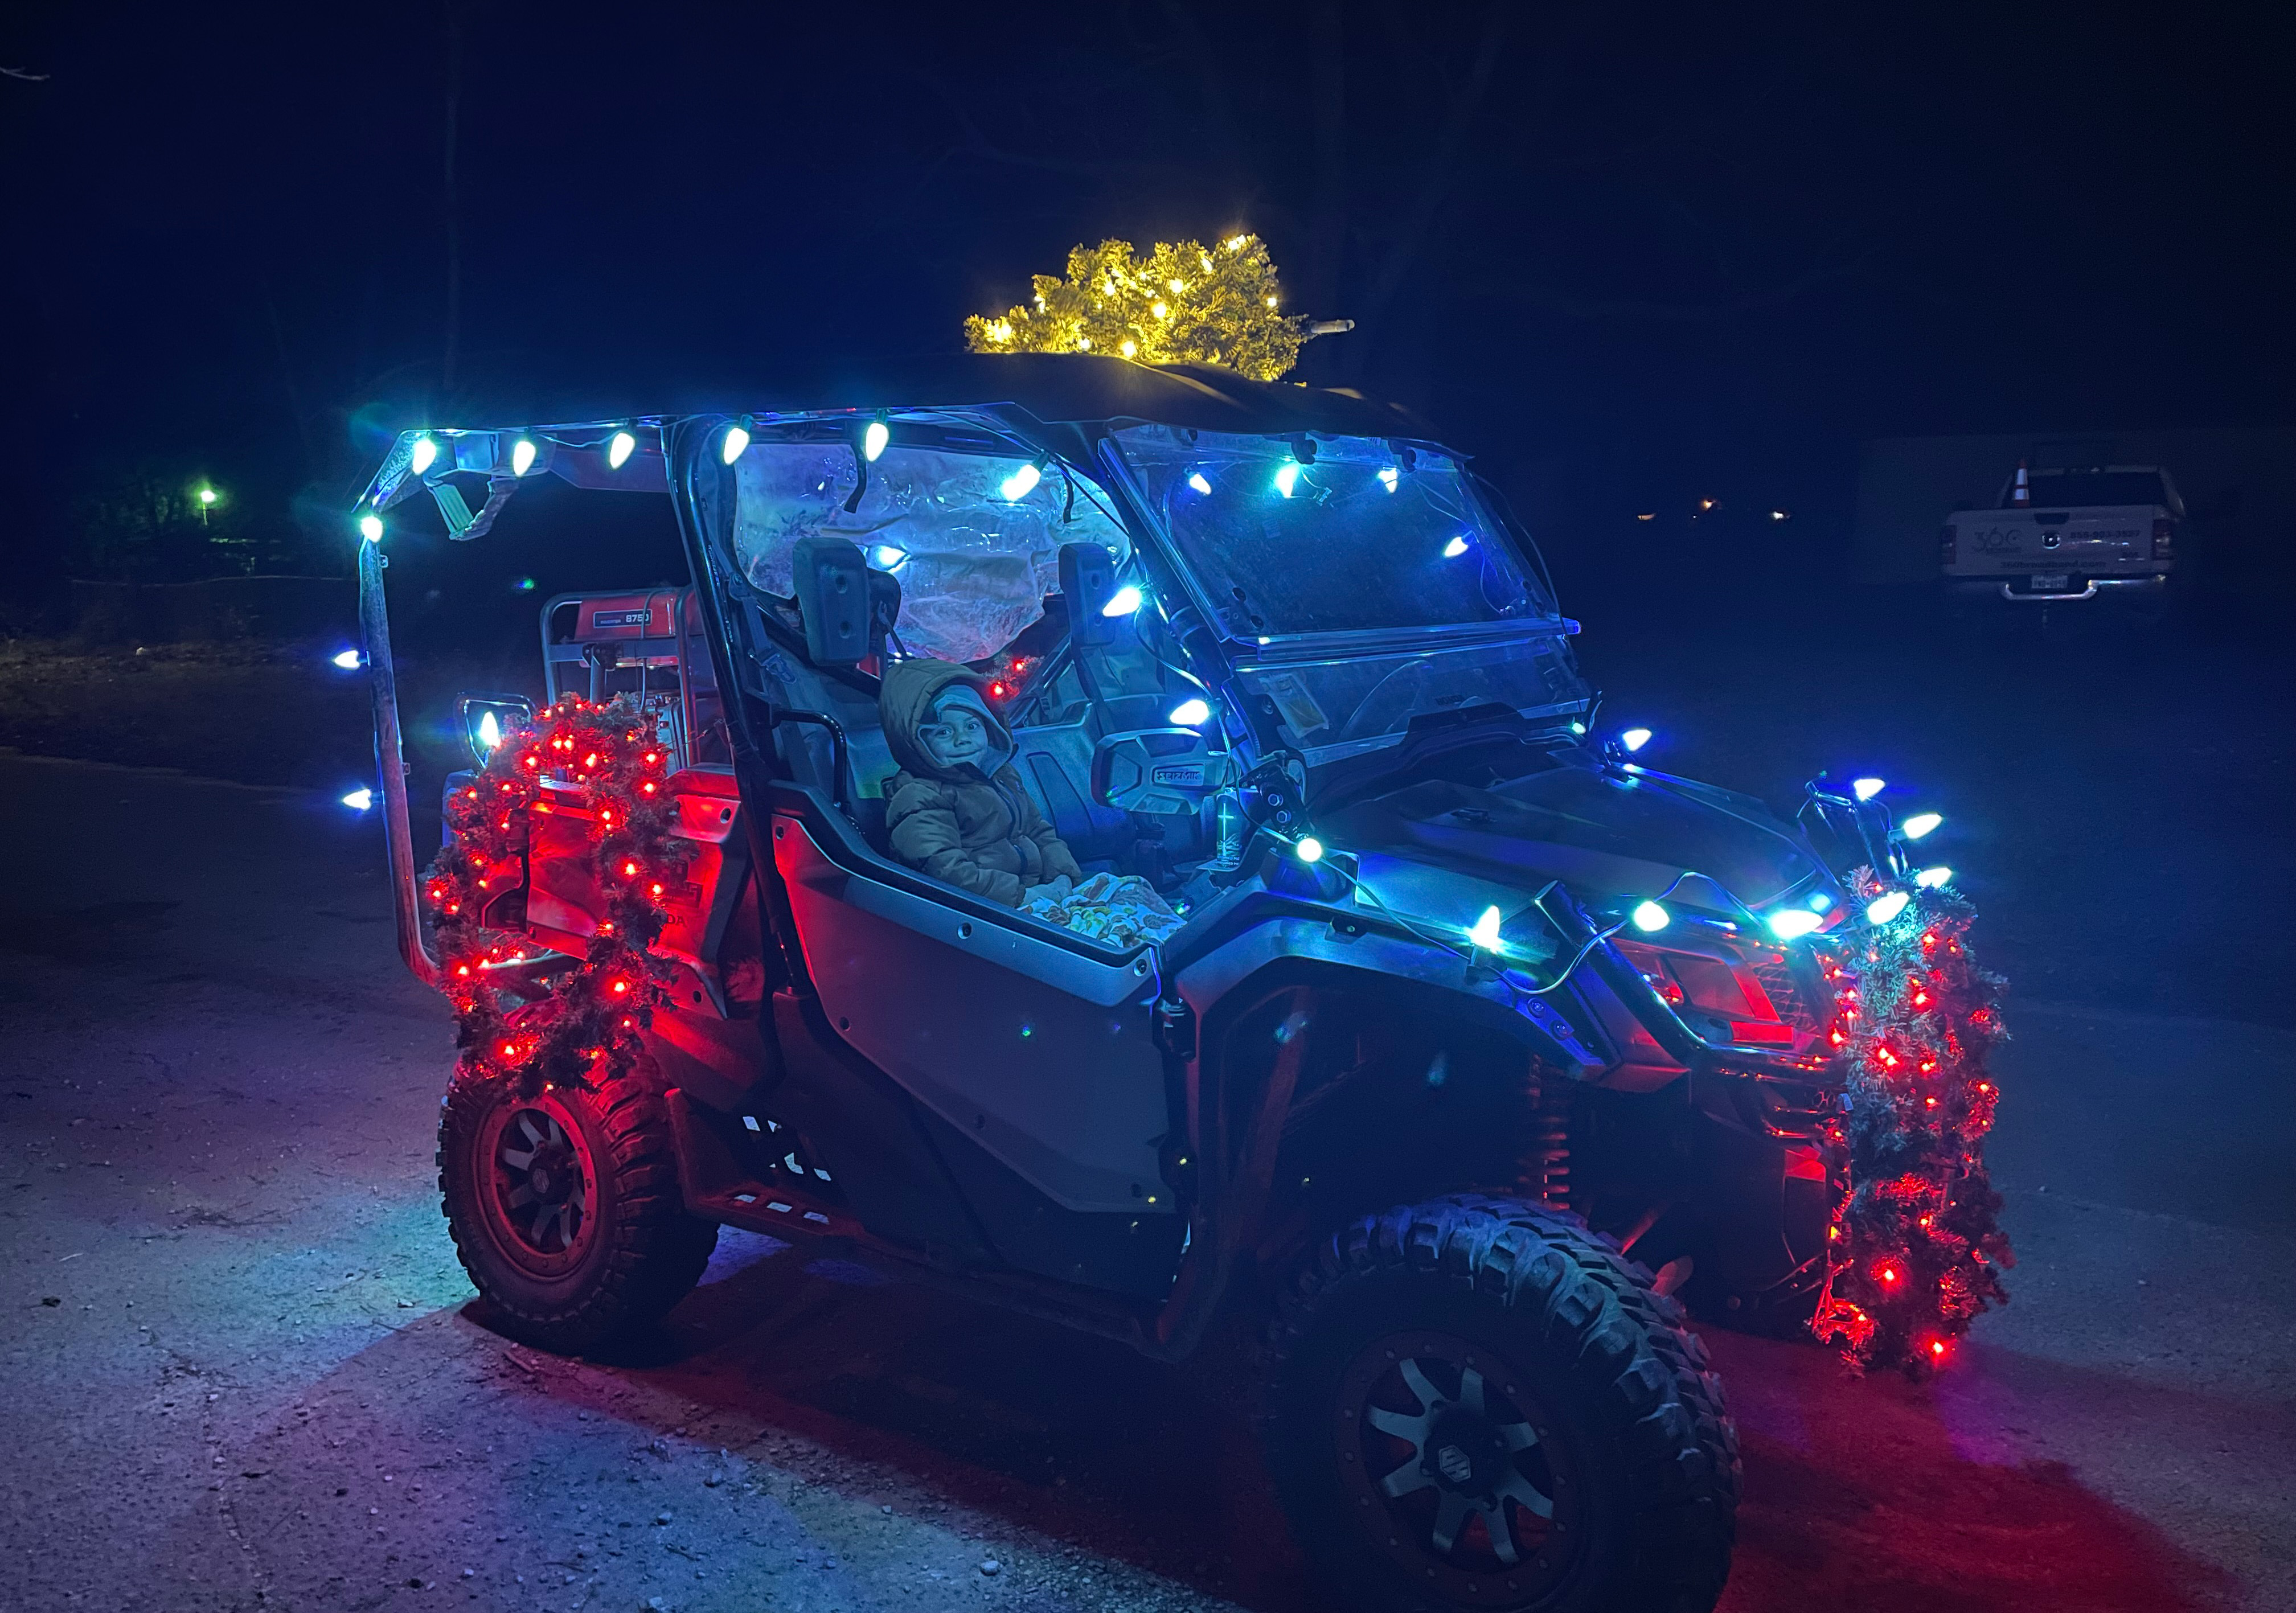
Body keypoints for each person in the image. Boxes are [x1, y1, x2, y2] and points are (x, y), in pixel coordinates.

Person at [880, 659, 1182, 947]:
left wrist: (1062, 876)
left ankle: (1176, 956)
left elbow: (1038, 830)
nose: (963, 739)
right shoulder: (920, 796)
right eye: (944, 732)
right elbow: (944, 870)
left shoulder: (1001, 775)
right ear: (916, 743)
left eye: (972, 726)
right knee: (1106, 934)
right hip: (988, 914)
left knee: (1131, 889)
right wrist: (1024, 895)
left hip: (1035, 891)